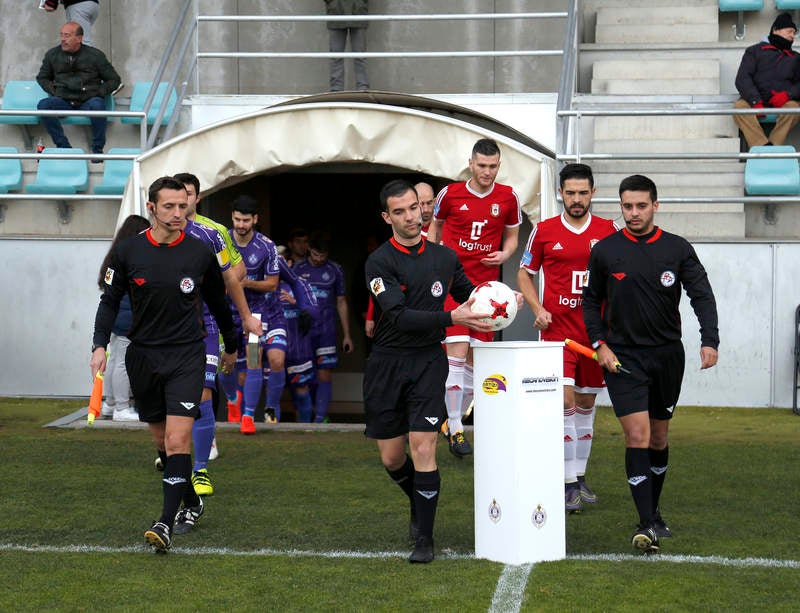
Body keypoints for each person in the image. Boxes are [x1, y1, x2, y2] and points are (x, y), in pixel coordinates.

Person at [90, 176, 238, 553]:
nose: (178, 213)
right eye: (169, 206)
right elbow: (109, 302)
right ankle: (191, 502)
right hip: (144, 357)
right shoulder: (128, 252)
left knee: (177, 440)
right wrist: (99, 345)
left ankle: (164, 523)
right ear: (151, 209)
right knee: (162, 443)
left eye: (182, 205)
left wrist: (232, 347)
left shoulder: (199, 253)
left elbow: (220, 306)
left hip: (186, 355)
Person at [582, 174, 719, 554]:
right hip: (623, 359)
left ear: (655, 206)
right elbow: (591, 302)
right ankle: (645, 525)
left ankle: (654, 512)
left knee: (659, 437)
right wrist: (599, 345)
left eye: (641, 206)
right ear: (621, 206)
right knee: (638, 435)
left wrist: (710, 340)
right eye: (627, 206)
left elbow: (702, 295)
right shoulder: (606, 250)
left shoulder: (677, 248)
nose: (634, 213)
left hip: (666, 357)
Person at [364, 179, 495, 563]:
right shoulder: (380, 262)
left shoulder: (445, 257)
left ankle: (425, 538)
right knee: (392, 457)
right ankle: (418, 502)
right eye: (400, 211)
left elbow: (471, 294)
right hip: (387, 362)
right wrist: (452, 315)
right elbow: (400, 316)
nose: (411, 217)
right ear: (387, 216)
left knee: (423, 446)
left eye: (415, 208)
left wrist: (503, 301)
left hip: (427, 362)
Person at [517, 163, 618, 513]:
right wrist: (537, 309)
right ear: (560, 192)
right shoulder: (544, 231)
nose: (576, 199)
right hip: (556, 335)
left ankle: (579, 476)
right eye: (570, 193)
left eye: (583, 193)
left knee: (586, 406)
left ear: (593, 192)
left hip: (594, 336)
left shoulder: (609, 231)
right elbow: (524, 274)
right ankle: (565, 482)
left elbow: (622, 278)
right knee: (563, 403)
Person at [426, 138, 522, 456]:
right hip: (454, 286)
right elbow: (434, 230)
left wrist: (505, 254)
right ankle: (455, 428)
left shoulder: (508, 197)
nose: (487, 172)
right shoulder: (450, 194)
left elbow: (512, 236)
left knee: (474, 359)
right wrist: (434, 262)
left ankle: (452, 422)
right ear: (471, 163)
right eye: (482, 165)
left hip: (487, 290)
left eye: (493, 166)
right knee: (457, 352)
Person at [174, 172, 261, 495]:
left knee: (208, 386)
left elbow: (235, 274)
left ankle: (204, 463)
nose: (181, 204)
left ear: (197, 198)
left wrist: (246, 316)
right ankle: (175, 450)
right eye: (175, 199)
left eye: (188, 196)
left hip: (218, 317)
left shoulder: (214, 233)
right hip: (171, 324)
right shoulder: (154, 237)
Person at [217, 196, 280, 433]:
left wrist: (242, 284)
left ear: (255, 219)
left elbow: (273, 284)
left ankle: (248, 416)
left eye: (245, 220)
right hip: (225, 314)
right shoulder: (220, 242)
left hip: (255, 314)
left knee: (254, 362)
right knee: (225, 364)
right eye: (237, 219)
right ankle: (233, 399)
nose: (241, 225)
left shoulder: (267, 246)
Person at [294, 231, 354, 422]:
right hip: (303, 330)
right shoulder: (297, 269)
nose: (319, 259)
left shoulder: (335, 270)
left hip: (326, 329)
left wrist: (347, 335)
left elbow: (341, 301)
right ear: (309, 250)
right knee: (305, 375)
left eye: (323, 255)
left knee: (324, 374)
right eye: (315, 254)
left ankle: (320, 419)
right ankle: (305, 416)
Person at [36, 21, 121, 157]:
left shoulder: (95, 55)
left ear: (79, 38)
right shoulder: (52, 55)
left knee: (98, 104)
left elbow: (114, 80)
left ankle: (97, 150)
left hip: (88, 101)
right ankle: (64, 147)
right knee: (44, 105)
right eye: (62, 35)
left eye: (67, 36)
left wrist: (98, 92)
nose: (63, 39)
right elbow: (42, 77)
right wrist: (54, 91)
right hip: (63, 101)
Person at [96, 214, 150, 422]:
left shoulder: (115, 255)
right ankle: (121, 407)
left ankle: (110, 404)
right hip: (128, 317)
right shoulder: (131, 257)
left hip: (116, 317)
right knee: (123, 362)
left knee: (115, 359)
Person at [733, 12, 800, 149]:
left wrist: (788, 95)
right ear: (775, 30)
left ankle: (774, 146)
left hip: (784, 100)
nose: (792, 36)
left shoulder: (796, 57)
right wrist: (755, 101)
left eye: (794, 33)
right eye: (789, 31)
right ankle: (762, 146)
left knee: (794, 108)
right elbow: (742, 78)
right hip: (755, 99)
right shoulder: (754, 51)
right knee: (739, 108)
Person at [325, 0, 370, 91]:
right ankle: (337, 89)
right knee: (336, 55)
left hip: (356, 11)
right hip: (337, 11)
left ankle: (362, 88)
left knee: (359, 55)